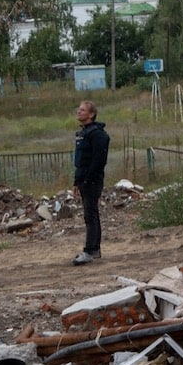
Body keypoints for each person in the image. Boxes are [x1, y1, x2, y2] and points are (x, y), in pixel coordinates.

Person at [73, 100, 110, 265]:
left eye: (82, 110)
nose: (79, 112)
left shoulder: (97, 134)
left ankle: (90, 250)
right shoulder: (83, 133)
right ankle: (94, 249)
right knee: (90, 214)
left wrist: (88, 178)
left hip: (92, 180)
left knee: (91, 215)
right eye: (79, 109)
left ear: (91, 114)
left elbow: (98, 160)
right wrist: (77, 181)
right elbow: (81, 161)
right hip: (83, 179)